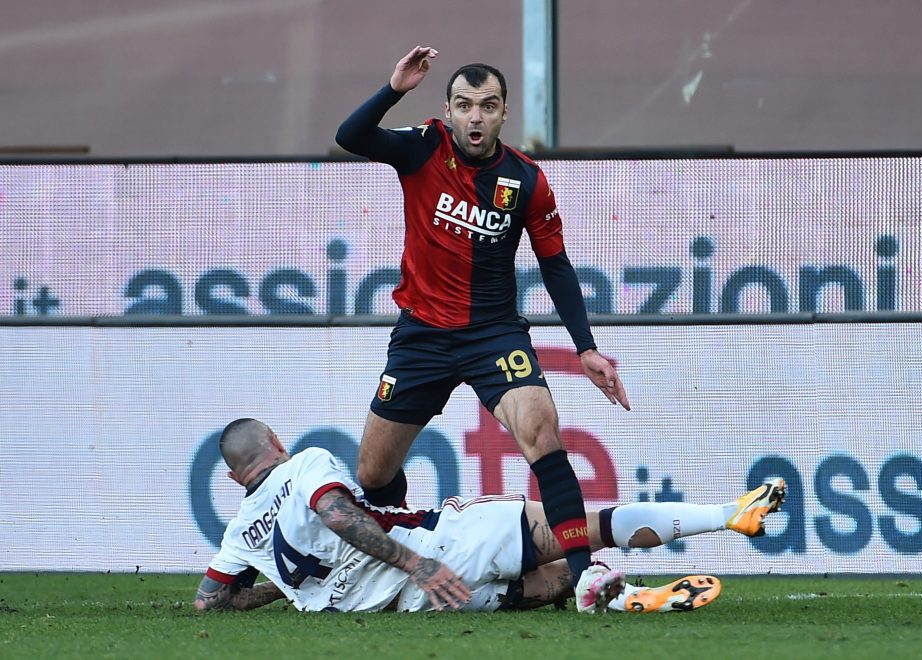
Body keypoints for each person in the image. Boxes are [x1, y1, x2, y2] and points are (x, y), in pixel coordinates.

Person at [333, 45, 632, 608]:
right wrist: (395, 87)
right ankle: (400, 561)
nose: (476, 116)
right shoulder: (423, 148)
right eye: (465, 105)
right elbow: (351, 135)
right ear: (448, 111)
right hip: (420, 334)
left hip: (492, 334)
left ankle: (584, 573)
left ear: (503, 113)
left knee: (543, 432)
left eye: (488, 105)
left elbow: (556, 264)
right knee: (372, 475)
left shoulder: (525, 179)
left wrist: (586, 348)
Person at [194, 419, 786, 614]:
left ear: (232, 478)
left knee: (551, 586)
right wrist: (417, 563)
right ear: (275, 439)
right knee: (579, 525)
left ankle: (618, 594)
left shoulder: (239, 531)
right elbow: (336, 512)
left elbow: (209, 603)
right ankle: (728, 514)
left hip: (407, 610)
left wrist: (289, 592)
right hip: (436, 551)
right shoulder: (305, 465)